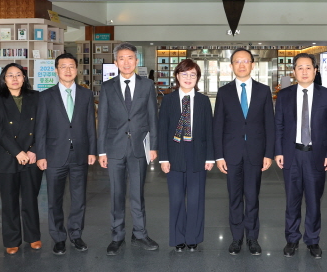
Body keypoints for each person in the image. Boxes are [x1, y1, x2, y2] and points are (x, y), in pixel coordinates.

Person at [98, 42, 159, 255]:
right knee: (116, 194)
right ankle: (117, 236)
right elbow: (102, 119)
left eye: (130, 58)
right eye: (122, 58)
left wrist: (153, 146)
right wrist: (101, 151)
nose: (126, 62)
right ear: (116, 62)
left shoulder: (147, 85)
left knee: (137, 194)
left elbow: (153, 117)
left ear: (136, 61)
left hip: (139, 148)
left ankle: (140, 234)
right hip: (114, 148)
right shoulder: (107, 87)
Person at [275, 53, 327, 259]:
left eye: (308, 67)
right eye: (300, 67)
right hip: (291, 154)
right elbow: (279, 125)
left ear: (315, 70)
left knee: (314, 201)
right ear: (293, 71)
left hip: (316, 155)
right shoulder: (284, 95)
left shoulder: (326, 95)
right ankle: (292, 239)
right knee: (292, 200)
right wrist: (278, 151)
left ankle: (312, 240)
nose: (304, 71)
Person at [213, 48, 275, 256]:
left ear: (252, 65)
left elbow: (269, 124)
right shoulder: (224, 92)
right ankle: (236, 238)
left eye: (245, 61)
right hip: (231, 153)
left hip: (255, 153)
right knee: (234, 197)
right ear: (231, 66)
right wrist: (219, 155)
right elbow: (218, 126)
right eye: (237, 61)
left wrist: (268, 153)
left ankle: (253, 238)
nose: (241, 65)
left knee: (252, 196)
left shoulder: (263, 91)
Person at [35, 53, 97, 255]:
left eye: (71, 66)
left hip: (80, 154)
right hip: (54, 155)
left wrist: (92, 150)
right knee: (54, 199)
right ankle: (58, 238)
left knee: (79, 198)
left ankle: (76, 235)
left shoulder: (86, 94)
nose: (68, 70)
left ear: (77, 70)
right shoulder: (45, 96)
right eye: (63, 66)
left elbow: (90, 125)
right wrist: (41, 155)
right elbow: (40, 128)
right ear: (56, 70)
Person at [158, 59, 214, 251]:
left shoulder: (203, 101)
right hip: (174, 154)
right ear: (177, 76)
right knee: (176, 199)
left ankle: (193, 237)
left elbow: (209, 130)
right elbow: (162, 130)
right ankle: (178, 238)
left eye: (193, 75)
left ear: (197, 78)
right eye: (184, 74)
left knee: (196, 199)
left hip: (198, 154)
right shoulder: (168, 100)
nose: (188, 78)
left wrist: (210, 157)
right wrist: (164, 158)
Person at [0, 63, 43, 255]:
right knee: (9, 200)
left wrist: (34, 150)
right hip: (7, 156)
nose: (14, 79)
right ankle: (12, 240)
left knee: (30, 199)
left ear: (24, 78)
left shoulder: (36, 97)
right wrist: (17, 152)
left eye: (18, 75)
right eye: (10, 75)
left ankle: (33, 236)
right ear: (4, 79)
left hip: (31, 157)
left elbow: (42, 125)